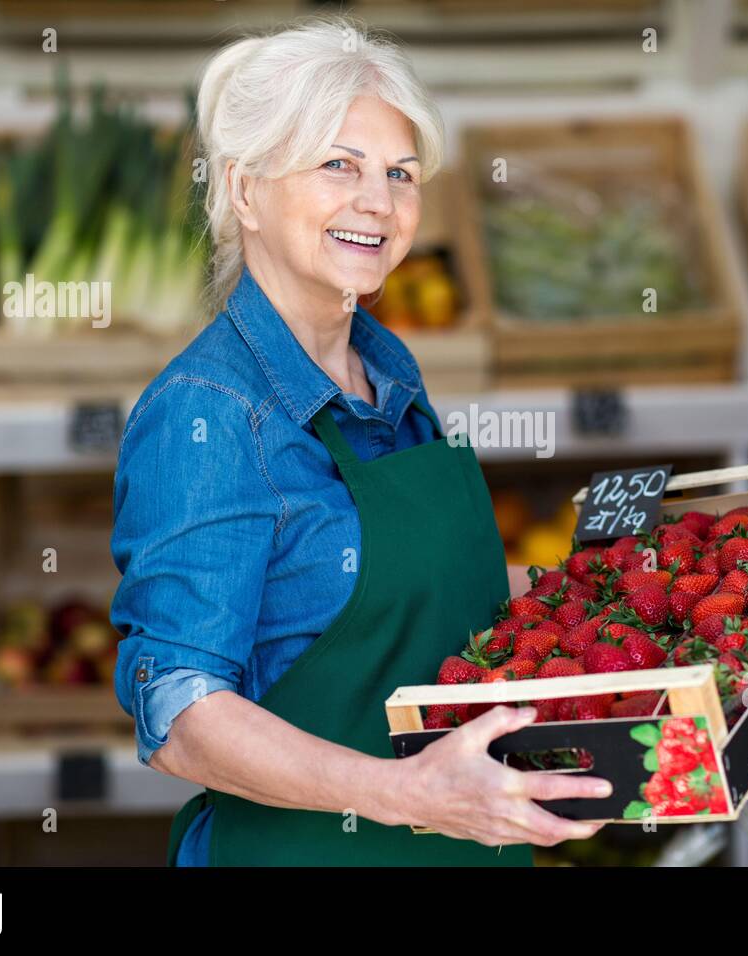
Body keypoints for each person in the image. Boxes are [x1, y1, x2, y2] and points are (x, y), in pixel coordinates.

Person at [109, 15, 610, 866]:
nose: (378, 202)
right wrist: (404, 792)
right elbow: (180, 716)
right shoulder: (207, 414)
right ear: (242, 191)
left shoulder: (387, 372)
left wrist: (606, 586)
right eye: (338, 165)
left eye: (400, 174)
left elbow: (427, 596)